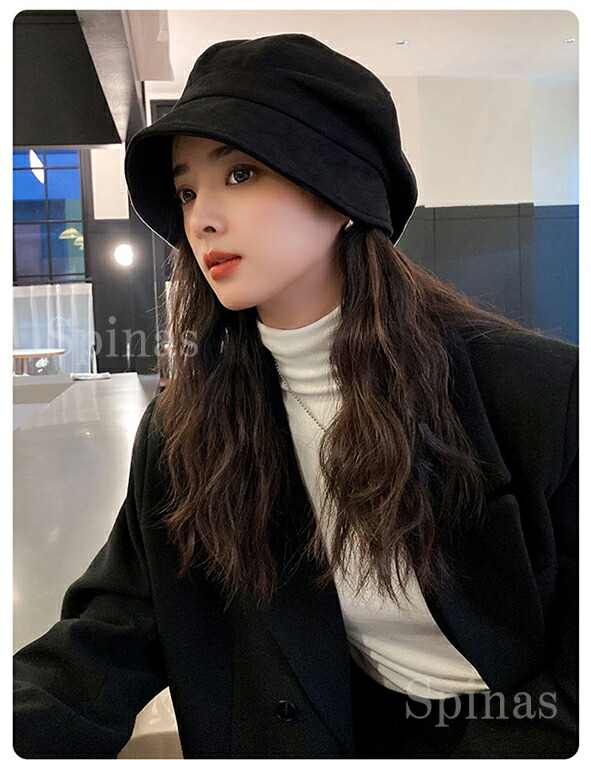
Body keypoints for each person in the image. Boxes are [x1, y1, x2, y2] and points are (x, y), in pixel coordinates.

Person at [14, 33, 577, 759]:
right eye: (187, 191)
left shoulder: (538, 395)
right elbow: (112, 630)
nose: (201, 217)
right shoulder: (189, 428)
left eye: (240, 173)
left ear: (341, 193)